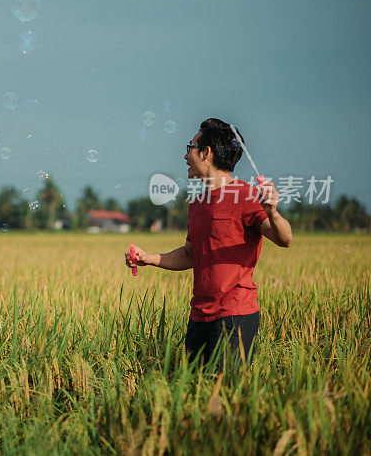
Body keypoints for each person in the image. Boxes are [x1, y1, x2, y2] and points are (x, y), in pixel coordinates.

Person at [125, 118, 293, 369]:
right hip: (199, 316)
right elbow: (191, 255)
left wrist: (273, 212)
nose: (185, 155)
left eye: (189, 147)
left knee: (222, 394)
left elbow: (284, 238)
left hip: (235, 314)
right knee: (195, 392)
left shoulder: (246, 195)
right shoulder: (197, 203)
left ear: (206, 153)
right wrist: (148, 259)